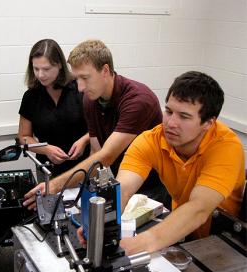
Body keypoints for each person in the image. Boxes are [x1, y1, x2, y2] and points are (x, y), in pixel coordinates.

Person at [114, 71, 245, 255]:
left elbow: (199, 208)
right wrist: (101, 223)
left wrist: (144, 242)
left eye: (184, 116)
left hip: (225, 242)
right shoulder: (151, 140)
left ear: (208, 122)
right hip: (182, 231)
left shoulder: (226, 147)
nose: (171, 123)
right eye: (168, 111)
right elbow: (123, 189)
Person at [24, 39, 163, 208]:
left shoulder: (138, 100)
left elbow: (107, 155)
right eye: (77, 79)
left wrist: (54, 185)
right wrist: (81, 197)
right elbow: (96, 153)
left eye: (85, 78)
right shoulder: (91, 100)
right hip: (126, 181)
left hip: (154, 187)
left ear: (105, 70)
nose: (80, 87)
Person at [18, 39, 90, 182]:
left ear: (60, 65)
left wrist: (84, 141)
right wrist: (46, 149)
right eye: (36, 69)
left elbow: (98, 127)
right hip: (48, 170)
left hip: (83, 167)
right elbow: (23, 137)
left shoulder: (80, 88)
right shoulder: (31, 96)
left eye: (46, 69)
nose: (40, 75)